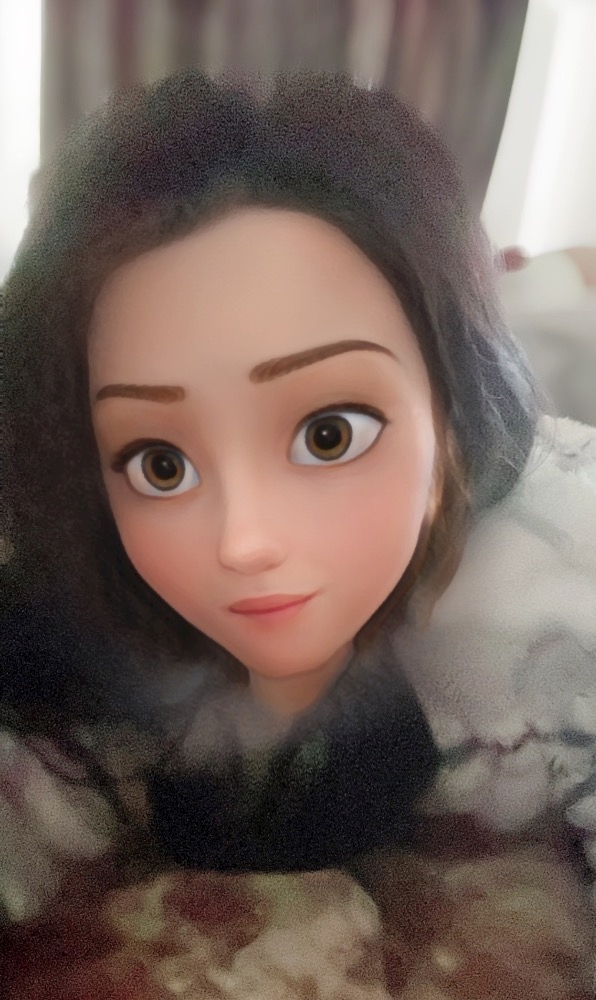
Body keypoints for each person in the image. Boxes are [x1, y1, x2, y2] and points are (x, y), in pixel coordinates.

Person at [2, 69, 595, 993]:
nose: (243, 542)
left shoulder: (566, 581)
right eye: (161, 463)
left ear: (450, 406)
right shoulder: (72, 589)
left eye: (329, 435)